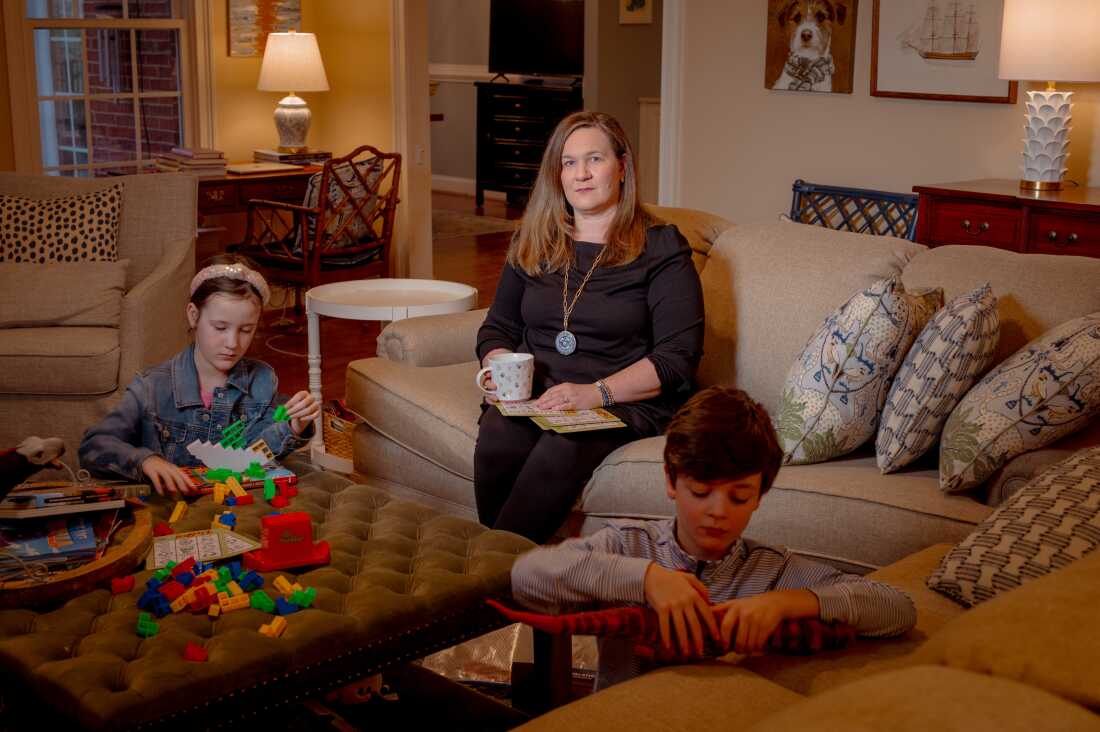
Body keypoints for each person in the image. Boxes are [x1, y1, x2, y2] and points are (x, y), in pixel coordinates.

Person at [511, 386, 917, 690]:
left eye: (739, 496)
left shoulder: (774, 570)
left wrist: (786, 602)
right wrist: (647, 578)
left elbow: (897, 609)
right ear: (671, 480)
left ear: (760, 495)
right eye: (701, 492)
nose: (718, 511)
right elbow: (527, 577)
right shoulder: (627, 545)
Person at [474, 110, 705, 543]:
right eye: (568, 162)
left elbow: (678, 359)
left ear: (622, 167)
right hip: (539, 395)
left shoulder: (661, 247)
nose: (581, 174)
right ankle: (494, 566)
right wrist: (499, 368)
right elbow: (497, 326)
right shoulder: (533, 239)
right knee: (498, 434)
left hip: (619, 401)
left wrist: (592, 394)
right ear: (556, 174)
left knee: (562, 447)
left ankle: (497, 578)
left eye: (594, 159)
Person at [79, 255, 321, 495]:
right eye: (220, 327)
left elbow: (257, 454)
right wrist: (145, 461)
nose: (232, 343)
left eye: (246, 330)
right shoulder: (152, 387)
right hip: (173, 505)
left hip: (235, 501)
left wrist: (294, 426)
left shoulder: (262, 380)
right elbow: (94, 445)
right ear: (194, 315)